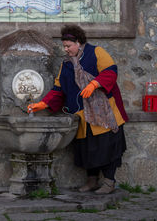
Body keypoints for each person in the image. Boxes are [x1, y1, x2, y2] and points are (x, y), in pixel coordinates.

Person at [28, 24, 128, 194]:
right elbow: (58, 89)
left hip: (104, 112)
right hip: (82, 114)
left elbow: (111, 71)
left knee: (107, 148)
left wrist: (95, 84)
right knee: (87, 150)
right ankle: (92, 181)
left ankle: (109, 183)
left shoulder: (96, 52)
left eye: (68, 46)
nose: (66, 49)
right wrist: (43, 103)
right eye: (64, 46)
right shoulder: (65, 65)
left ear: (79, 42)